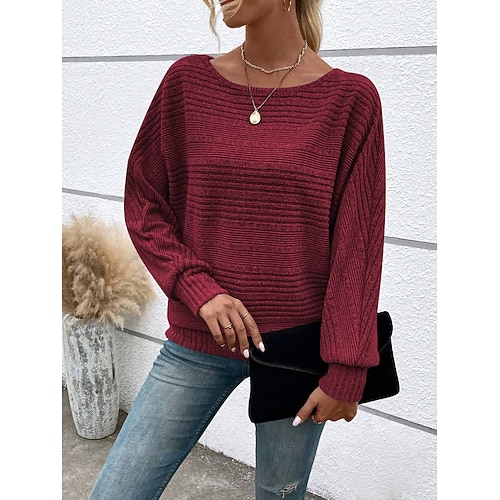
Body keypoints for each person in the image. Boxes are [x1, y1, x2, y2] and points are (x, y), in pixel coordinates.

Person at [89, 0, 385, 498]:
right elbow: (144, 201)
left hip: (296, 352)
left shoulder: (350, 100)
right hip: (198, 341)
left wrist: (348, 369)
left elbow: (358, 245)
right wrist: (197, 288)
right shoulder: (186, 84)